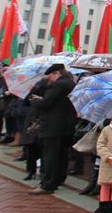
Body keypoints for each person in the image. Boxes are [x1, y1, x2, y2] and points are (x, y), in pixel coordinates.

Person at [28, 64, 77, 195]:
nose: (49, 79)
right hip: (66, 125)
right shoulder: (70, 83)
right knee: (61, 155)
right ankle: (59, 179)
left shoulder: (59, 85)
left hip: (53, 126)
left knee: (50, 156)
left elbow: (46, 103)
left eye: (50, 76)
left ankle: (48, 184)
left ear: (56, 73)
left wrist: (33, 100)